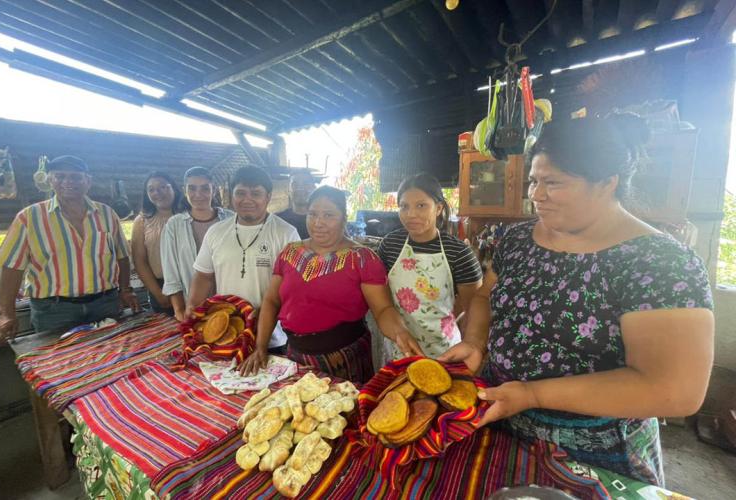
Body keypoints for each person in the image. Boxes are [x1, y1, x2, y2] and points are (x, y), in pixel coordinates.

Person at [440, 114, 714, 486]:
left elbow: (673, 390)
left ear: (607, 183)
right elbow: (486, 296)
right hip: (497, 418)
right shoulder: (518, 240)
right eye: (534, 180)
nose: (535, 194)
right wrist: (475, 342)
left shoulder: (659, 263)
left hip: (597, 450)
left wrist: (533, 393)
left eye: (553, 183)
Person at [240, 186, 422, 383]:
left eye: (328, 215)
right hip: (296, 357)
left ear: (344, 218)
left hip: (344, 361)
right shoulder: (289, 253)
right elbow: (271, 301)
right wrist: (260, 347)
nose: (318, 222)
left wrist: (400, 332)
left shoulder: (362, 258)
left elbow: (383, 309)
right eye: (313, 214)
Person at [0, 155, 140, 342]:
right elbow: (12, 267)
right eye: (60, 176)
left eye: (75, 176)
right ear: (50, 180)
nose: (68, 181)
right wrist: (6, 313)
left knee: (111, 359)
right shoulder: (29, 218)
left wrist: (125, 289)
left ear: (88, 181)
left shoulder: (107, 214)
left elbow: (122, 257)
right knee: (62, 365)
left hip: (105, 304)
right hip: (54, 311)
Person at [186, 165, 298, 352]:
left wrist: (260, 318)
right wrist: (192, 306)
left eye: (256, 193)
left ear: (268, 196)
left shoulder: (286, 234)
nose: (247, 199)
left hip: (271, 340)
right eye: (240, 193)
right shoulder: (216, 232)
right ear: (231, 196)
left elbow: (291, 289)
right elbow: (203, 275)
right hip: (225, 334)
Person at [377, 173, 483, 362]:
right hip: (400, 349)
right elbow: (381, 300)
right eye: (404, 206)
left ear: (439, 208)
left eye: (421, 205)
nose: (411, 214)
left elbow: (474, 309)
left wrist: (468, 348)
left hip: (444, 352)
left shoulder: (458, 253)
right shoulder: (389, 245)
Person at [161, 167, 233, 321]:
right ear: (184, 190)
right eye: (192, 188)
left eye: (205, 188)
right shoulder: (174, 225)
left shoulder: (231, 219)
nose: (198, 195)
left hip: (231, 304)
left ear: (213, 190)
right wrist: (180, 309)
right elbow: (171, 272)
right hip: (194, 308)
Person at [131, 171, 184, 315]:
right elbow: (139, 260)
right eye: (151, 189)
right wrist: (158, 293)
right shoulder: (141, 221)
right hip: (160, 286)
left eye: (163, 187)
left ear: (173, 188)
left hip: (193, 284)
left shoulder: (189, 215)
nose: (158, 193)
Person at [276, 170, 317, 238]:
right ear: (288, 190)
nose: (300, 188)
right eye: (295, 184)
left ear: (314, 188)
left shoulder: (321, 220)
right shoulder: (278, 220)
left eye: (306, 184)